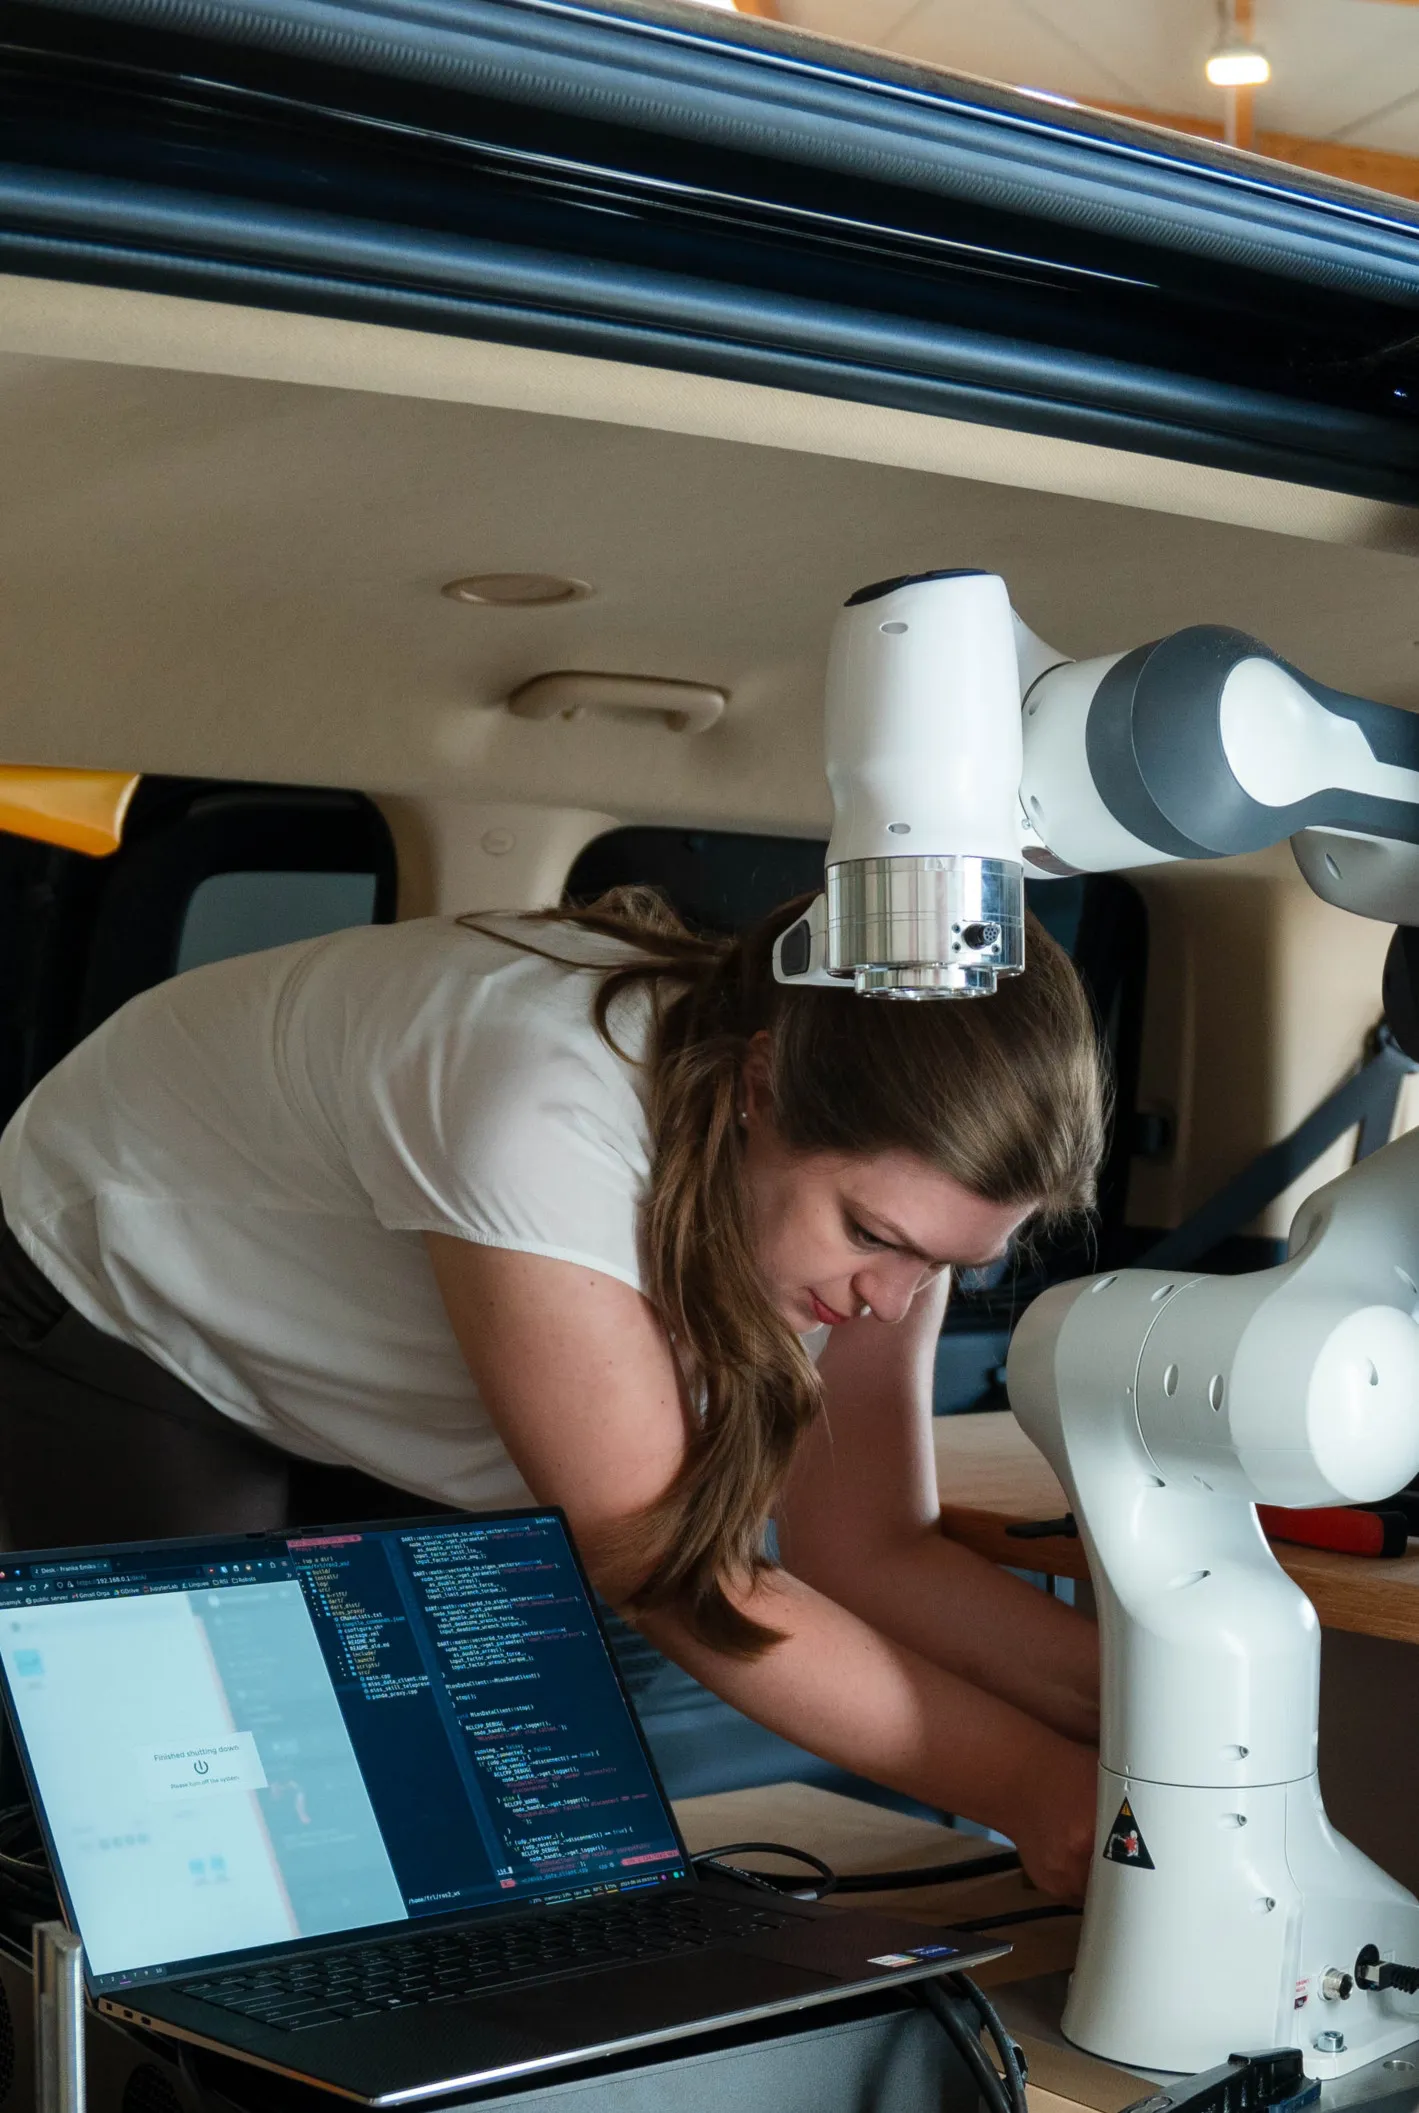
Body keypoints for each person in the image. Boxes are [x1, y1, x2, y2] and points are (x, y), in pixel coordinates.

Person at [0, 888, 1105, 1897]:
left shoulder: (886, 1221)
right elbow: (672, 1574)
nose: (893, 1299)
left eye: (955, 1261)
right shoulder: (540, 1113)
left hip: (377, 1335)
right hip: (129, 1283)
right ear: (756, 1088)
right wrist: (1033, 1786)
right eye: (872, 1236)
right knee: (221, 1840)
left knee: (474, 1832)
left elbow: (867, 1546)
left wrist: (1179, 1719)